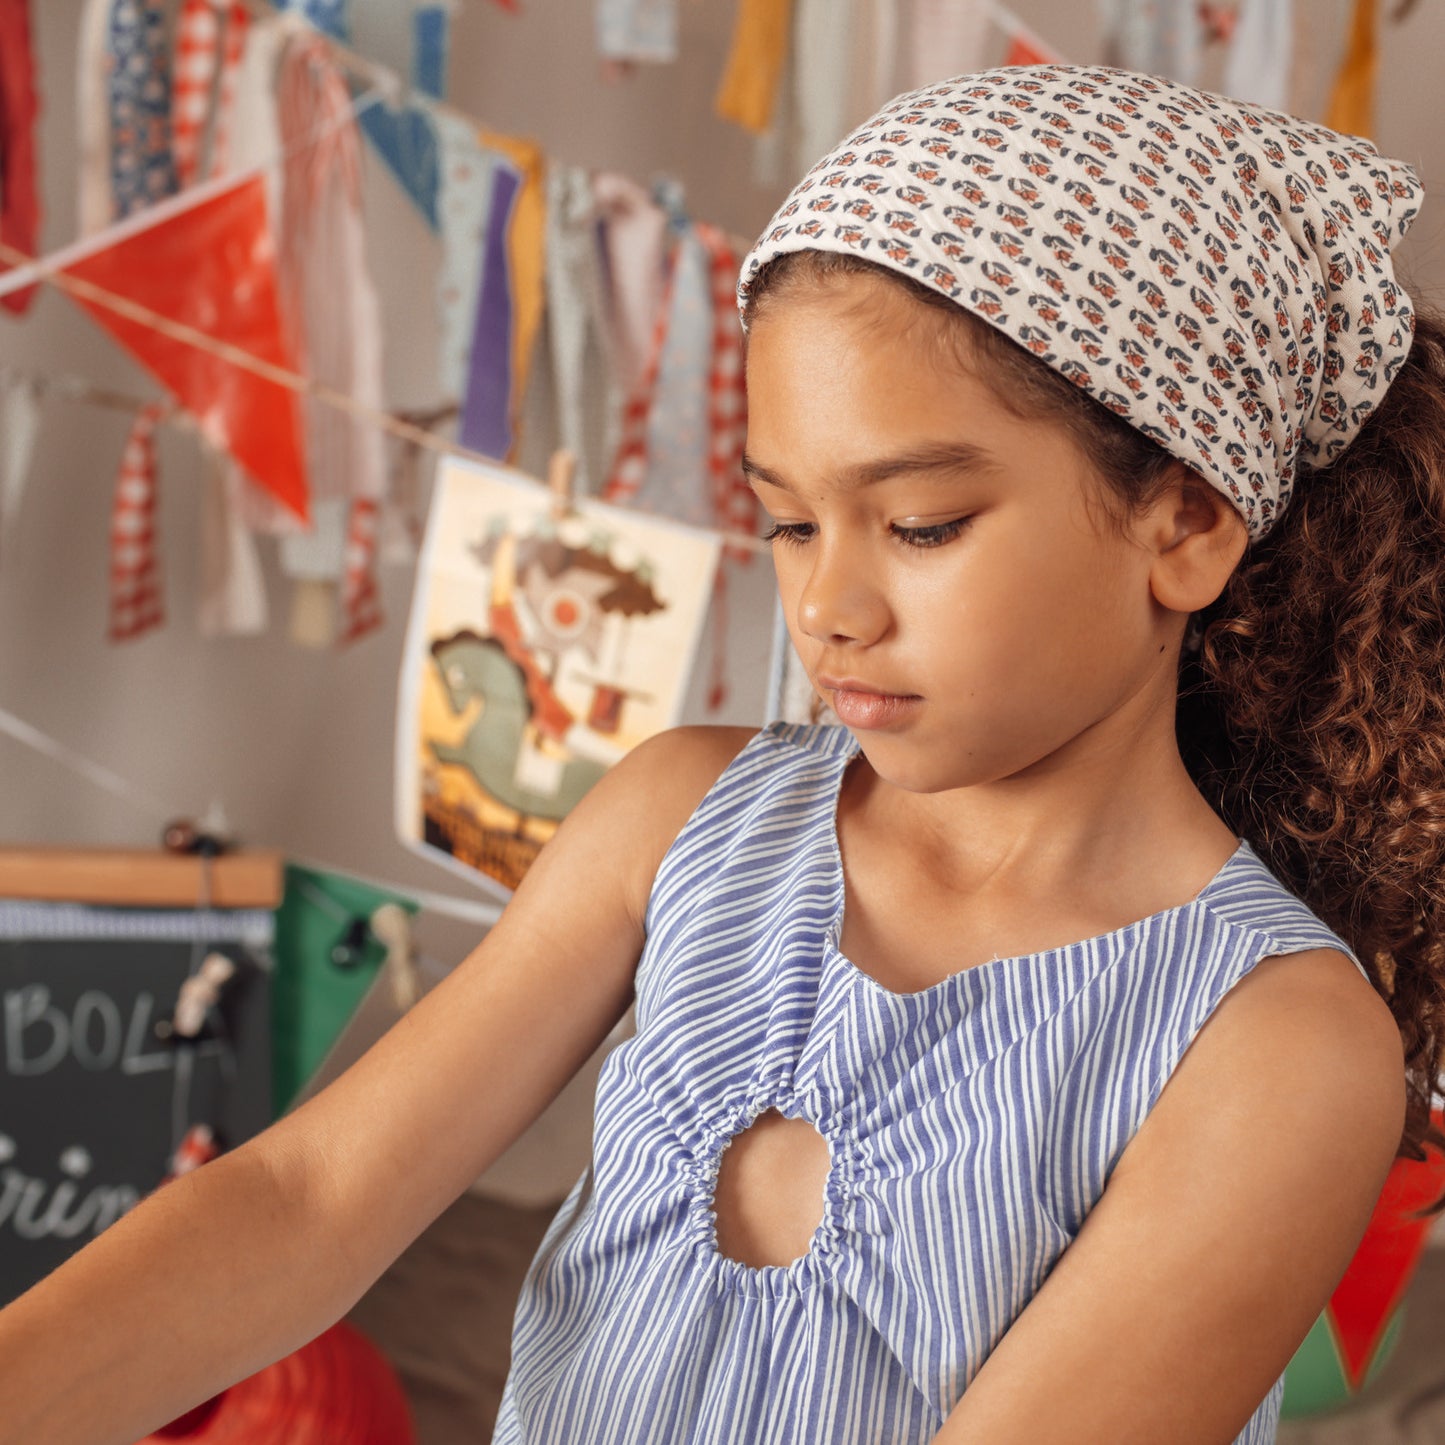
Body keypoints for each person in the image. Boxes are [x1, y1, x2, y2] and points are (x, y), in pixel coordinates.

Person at [4, 62, 1443, 1445]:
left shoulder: (1276, 1045)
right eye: (790, 522)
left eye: (922, 524)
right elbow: (308, 1202)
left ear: (1184, 524)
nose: (827, 605)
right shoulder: (680, 817)